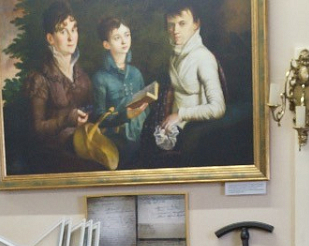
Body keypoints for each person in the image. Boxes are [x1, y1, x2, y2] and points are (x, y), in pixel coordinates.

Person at [24, 2, 92, 168]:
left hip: (81, 147)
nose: (71, 38)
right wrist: (67, 119)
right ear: (50, 39)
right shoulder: (40, 78)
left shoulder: (82, 76)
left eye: (73, 29)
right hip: (53, 157)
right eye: (63, 31)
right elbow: (37, 129)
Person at [154, 3, 224, 153]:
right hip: (172, 124)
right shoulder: (174, 56)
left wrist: (179, 115)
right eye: (171, 25)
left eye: (182, 23)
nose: (175, 30)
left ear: (196, 24)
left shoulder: (203, 58)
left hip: (194, 128)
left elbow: (218, 108)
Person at [90, 17, 150, 167]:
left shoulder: (136, 73)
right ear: (106, 44)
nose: (124, 41)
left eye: (127, 35)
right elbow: (98, 117)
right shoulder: (100, 78)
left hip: (142, 136)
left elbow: (147, 108)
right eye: (117, 38)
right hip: (115, 142)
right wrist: (125, 116)